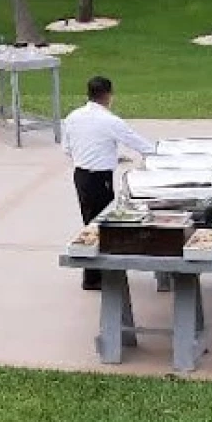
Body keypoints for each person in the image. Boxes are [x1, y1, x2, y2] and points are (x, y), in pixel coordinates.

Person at [60, 74, 158, 291]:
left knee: (91, 222)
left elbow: (68, 149)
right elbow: (136, 142)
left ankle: (94, 275)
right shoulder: (109, 120)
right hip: (100, 179)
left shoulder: (73, 117)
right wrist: (159, 154)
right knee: (103, 226)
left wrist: (109, 157)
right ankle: (97, 276)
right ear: (107, 95)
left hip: (81, 176)